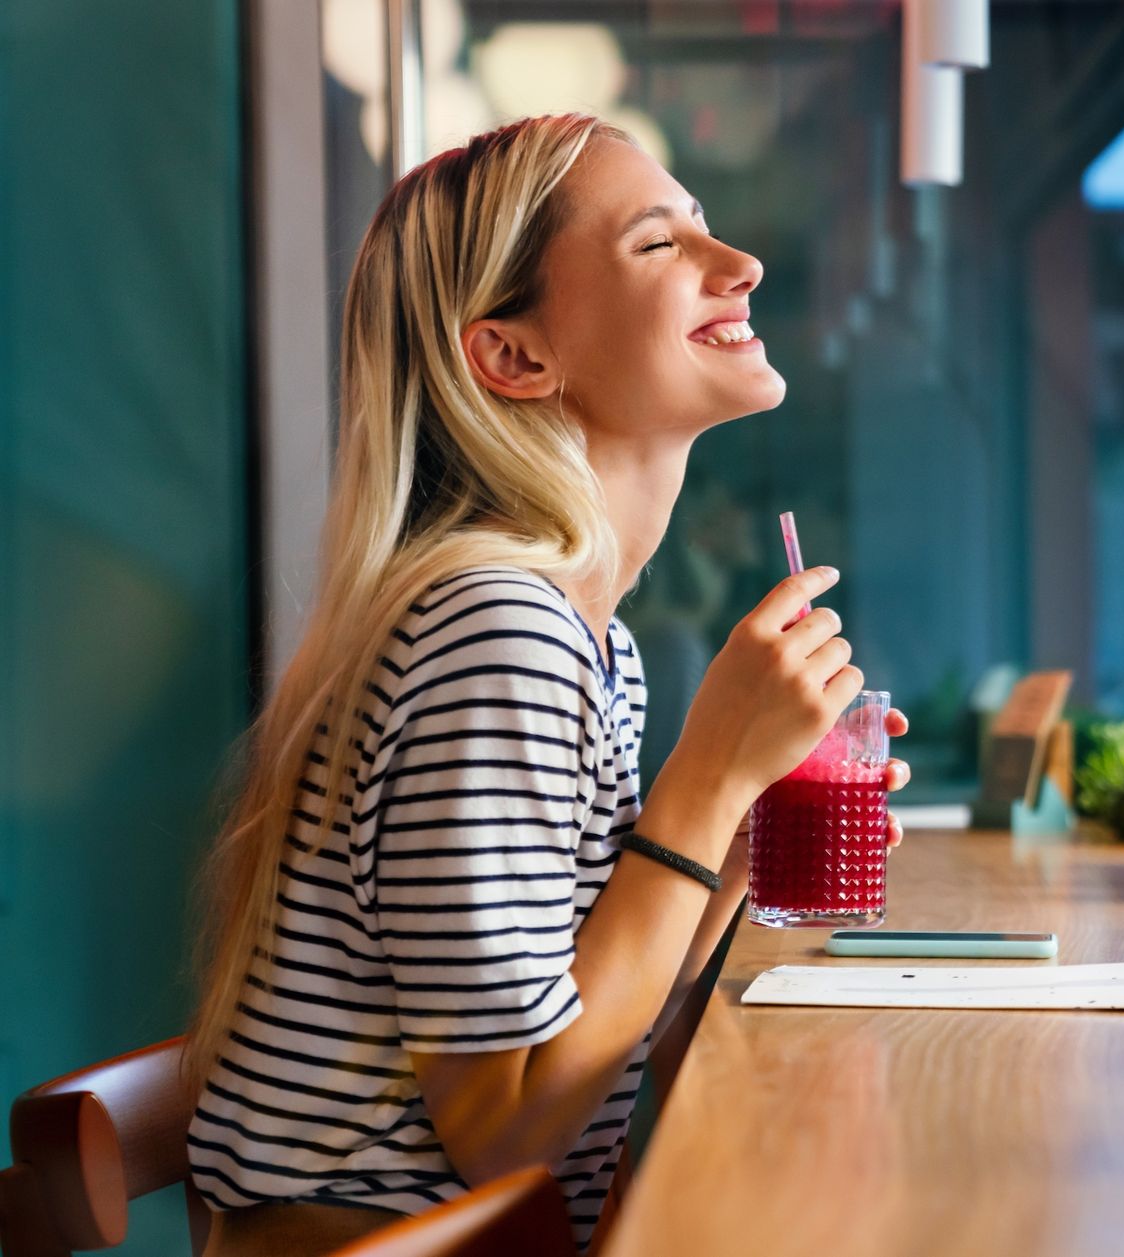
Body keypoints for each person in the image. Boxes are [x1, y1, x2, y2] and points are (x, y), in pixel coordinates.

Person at [185, 113, 910, 1256]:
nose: (744, 266)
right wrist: (707, 774)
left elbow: (586, 1037)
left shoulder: (573, 632)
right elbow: (507, 1130)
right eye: (659, 244)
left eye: (705, 229)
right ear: (515, 358)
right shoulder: (494, 630)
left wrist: (739, 828)